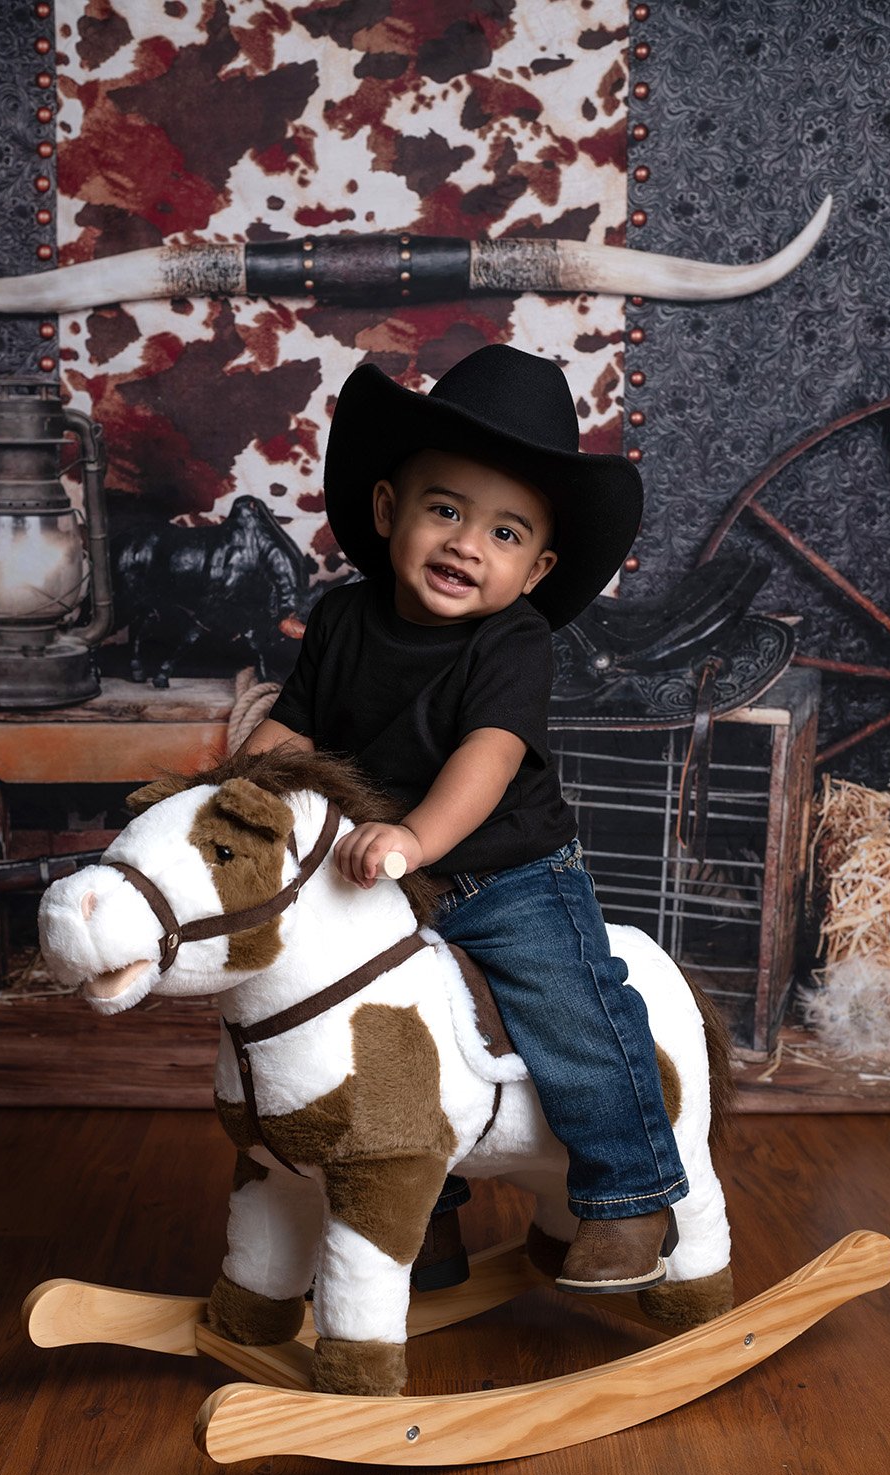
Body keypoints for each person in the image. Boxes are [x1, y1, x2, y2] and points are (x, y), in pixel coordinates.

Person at [240, 343, 688, 1294]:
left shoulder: (513, 640)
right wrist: (241, 779)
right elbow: (293, 727)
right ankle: (419, 1219)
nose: (467, 544)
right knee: (385, 1043)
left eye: (506, 532)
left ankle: (630, 1192)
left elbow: (487, 762)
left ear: (537, 569)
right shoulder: (341, 622)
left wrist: (413, 840)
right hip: (381, 875)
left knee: (571, 1008)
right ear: (387, 510)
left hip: (507, 871)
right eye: (446, 509)